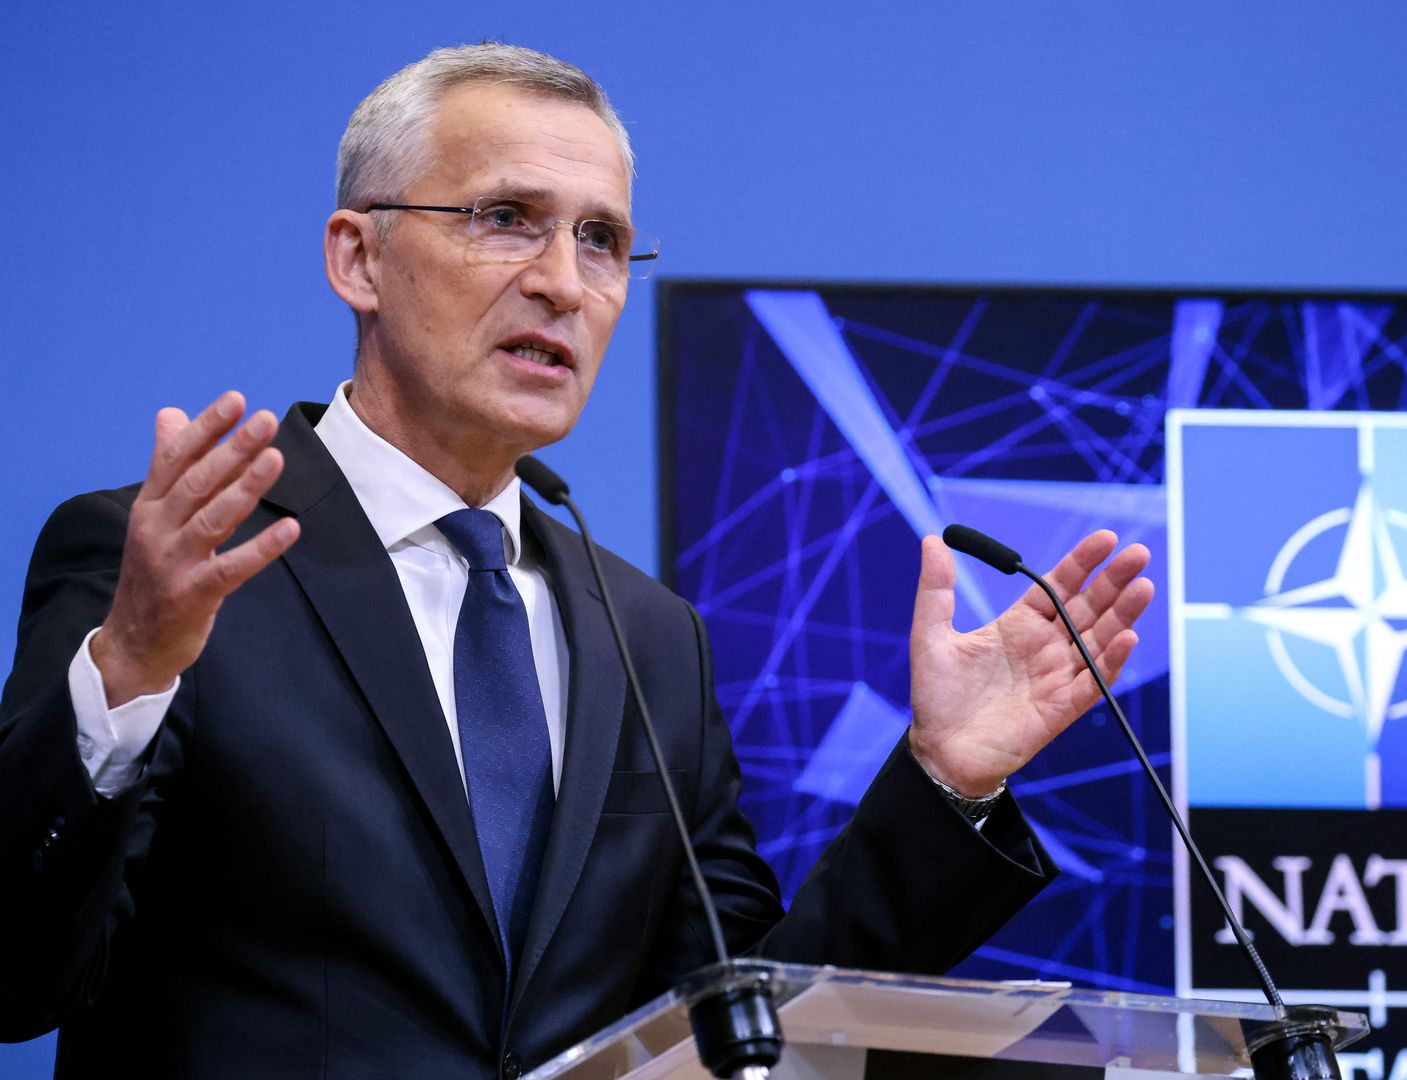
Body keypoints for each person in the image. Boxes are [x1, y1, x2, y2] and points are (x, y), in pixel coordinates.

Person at [0, 43, 1153, 1079]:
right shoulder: (171, 565)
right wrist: (132, 670)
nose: (563, 279)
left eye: (600, 239)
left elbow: (748, 1027)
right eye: (507, 217)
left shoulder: (647, 636)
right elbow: (15, 975)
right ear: (358, 257)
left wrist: (946, 782)